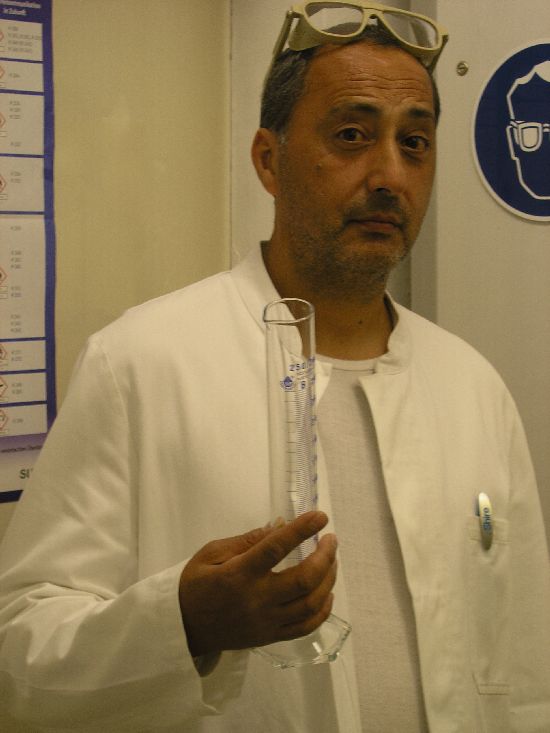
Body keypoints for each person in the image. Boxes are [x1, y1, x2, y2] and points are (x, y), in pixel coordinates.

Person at [1, 3, 549, 732]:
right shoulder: (142, 362)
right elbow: (20, 653)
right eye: (351, 135)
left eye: (414, 143)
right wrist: (185, 623)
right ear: (269, 159)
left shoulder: (473, 386)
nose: (390, 174)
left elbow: (527, 666)